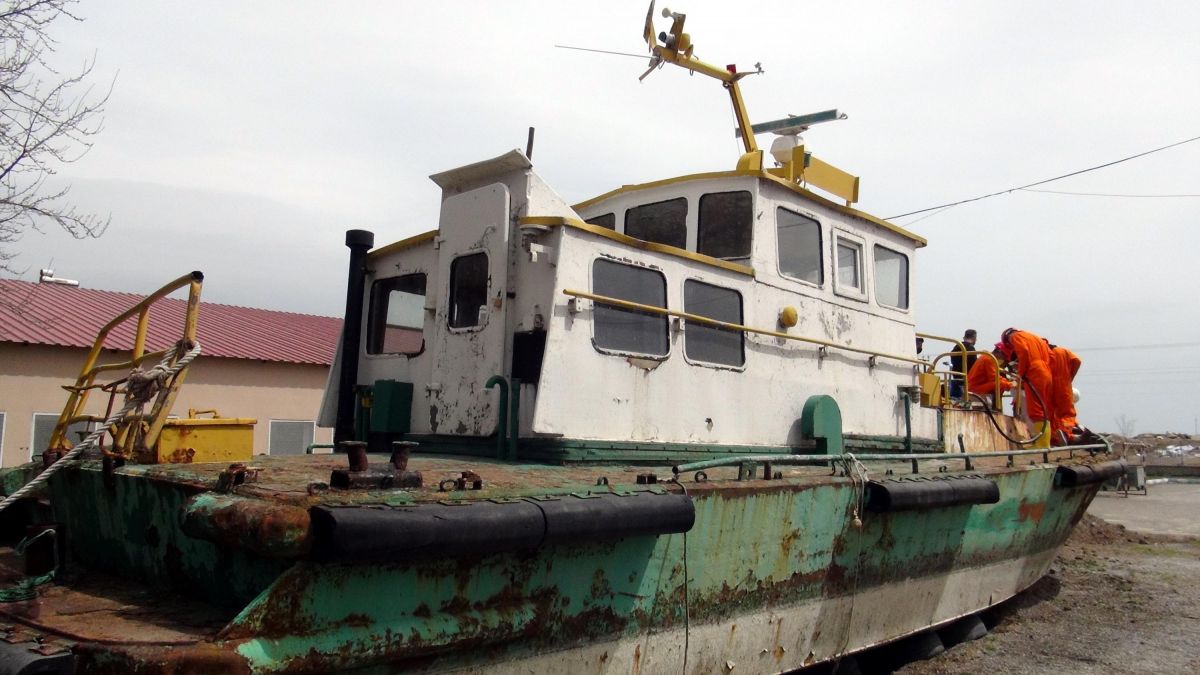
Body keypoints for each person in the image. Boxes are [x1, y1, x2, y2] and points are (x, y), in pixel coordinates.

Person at [1001, 327, 1055, 430]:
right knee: (1043, 408)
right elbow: (1051, 355)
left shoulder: (1015, 336)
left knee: (1036, 411)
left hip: (1034, 372)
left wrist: (1020, 374)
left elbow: (1024, 351)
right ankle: (1045, 440)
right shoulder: (1036, 337)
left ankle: (1040, 442)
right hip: (1046, 372)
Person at [1047, 341, 1082, 443]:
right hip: (1064, 386)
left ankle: (1055, 437)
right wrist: (1070, 377)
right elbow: (1077, 361)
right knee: (1067, 413)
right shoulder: (1064, 351)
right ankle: (1067, 434)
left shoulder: (1046, 353)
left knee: (1052, 413)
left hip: (1051, 387)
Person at [948, 329, 977, 399]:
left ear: (964, 337)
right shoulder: (971, 348)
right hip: (967, 381)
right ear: (974, 338)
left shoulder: (957, 347)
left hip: (956, 379)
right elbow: (975, 365)